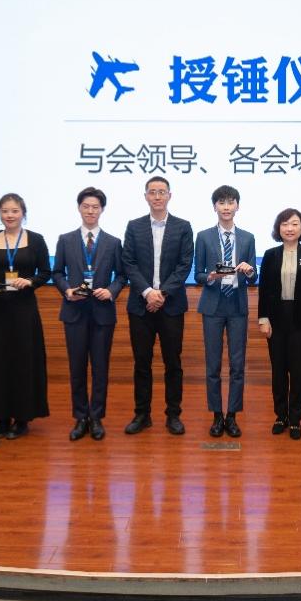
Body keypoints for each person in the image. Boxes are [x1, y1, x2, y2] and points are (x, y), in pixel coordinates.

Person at [121, 176, 194, 436]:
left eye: (162, 192)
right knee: (142, 363)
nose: (157, 196)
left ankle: (173, 414)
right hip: (140, 307)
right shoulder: (134, 226)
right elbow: (128, 262)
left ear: (169, 196)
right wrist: (147, 292)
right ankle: (142, 415)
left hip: (171, 306)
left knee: (173, 363)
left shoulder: (183, 227)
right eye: (152, 192)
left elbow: (184, 265)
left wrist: (161, 294)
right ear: (146, 197)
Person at [0, 193, 51, 440]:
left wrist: (30, 281)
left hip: (23, 311)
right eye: (5, 211)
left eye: (15, 211)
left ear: (23, 213)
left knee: (23, 362)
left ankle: (22, 418)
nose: (10, 215)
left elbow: (46, 272)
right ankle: (1, 418)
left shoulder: (36, 240)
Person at [53, 186, 126, 442]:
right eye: (86, 206)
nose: (91, 211)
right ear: (79, 208)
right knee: (77, 368)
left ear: (102, 209)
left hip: (102, 313)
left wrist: (111, 291)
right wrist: (67, 290)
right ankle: (80, 417)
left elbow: (122, 275)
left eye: (95, 207)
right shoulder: (65, 240)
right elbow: (57, 272)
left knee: (100, 368)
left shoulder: (113, 242)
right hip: (74, 311)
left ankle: (96, 417)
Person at [194, 185, 257, 438]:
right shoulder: (204, 236)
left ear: (237, 206)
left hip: (237, 307)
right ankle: (216, 415)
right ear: (215, 207)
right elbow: (197, 274)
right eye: (222, 202)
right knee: (213, 365)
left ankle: (232, 415)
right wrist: (210, 277)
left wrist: (250, 271)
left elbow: (253, 277)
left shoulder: (248, 238)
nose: (226, 207)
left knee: (237, 366)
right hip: (213, 306)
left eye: (231, 202)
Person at [257, 208, 301, 441]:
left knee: (298, 371)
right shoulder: (270, 255)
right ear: (279, 228)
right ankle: (280, 416)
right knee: (278, 371)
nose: (289, 228)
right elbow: (264, 289)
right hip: (276, 320)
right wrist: (263, 318)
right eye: (285, 224)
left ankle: (295, 418)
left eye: (294, 224)